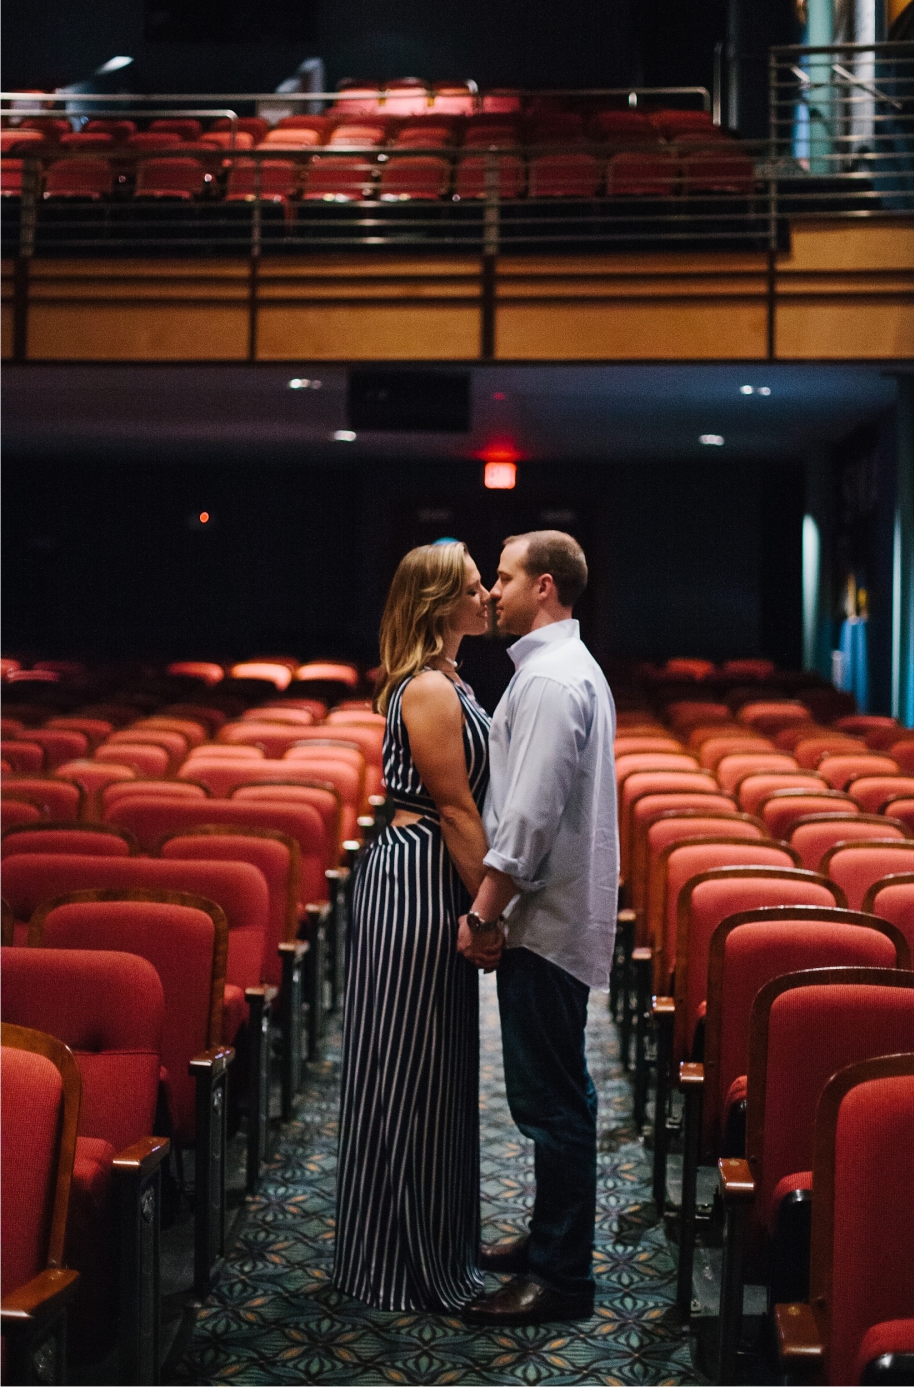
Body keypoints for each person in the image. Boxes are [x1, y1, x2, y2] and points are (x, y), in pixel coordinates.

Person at [458, 530, 619, 1327]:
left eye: (504, 576)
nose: (492, 590)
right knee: (561, 1098)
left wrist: (485, 909)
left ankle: (561, 1278)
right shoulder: (555, 671)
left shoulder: (554, 681)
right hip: (552, 915)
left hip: (545, 920)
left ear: (545, 587)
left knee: (552, 1106)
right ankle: (551, 1243)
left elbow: (528, 816)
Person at [333, 540, 492, 1312]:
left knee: (434, 1065)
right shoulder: (427, 689)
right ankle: (399, 1261)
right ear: (439, 606)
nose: (489, 593)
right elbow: (457, 811)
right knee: (408, 1068)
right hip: (416, 878)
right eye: (473, 586)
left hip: (429, 871)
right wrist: (492, 914)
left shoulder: (450, 678)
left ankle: (431, 1240)